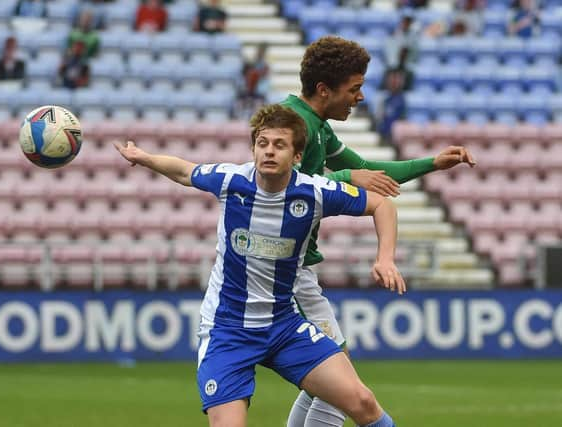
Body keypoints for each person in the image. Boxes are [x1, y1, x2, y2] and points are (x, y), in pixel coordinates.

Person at [114, 104, 406, 427]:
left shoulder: (314, 193)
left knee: (363, 402)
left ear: (297, 156)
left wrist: (385, 257)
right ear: (253, 148)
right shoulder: (230, 181)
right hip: (228, 331)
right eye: (262, 143)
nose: (268, 151)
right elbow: (185, 171)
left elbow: (382, 204)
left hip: (283, 326)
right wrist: (142, 157)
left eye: (279, 145)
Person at [281, 36, 476, 427]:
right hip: (284, 274)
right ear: (324, 90)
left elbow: (369, 169)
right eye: (354, 89)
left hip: (297, 270)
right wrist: (345, 177)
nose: (361, 97)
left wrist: (432, 164)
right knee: (344, 387)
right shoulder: (291, 122)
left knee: (328, 384)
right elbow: (281, 189)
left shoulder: (315, 125)